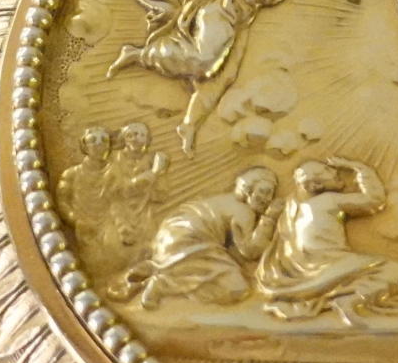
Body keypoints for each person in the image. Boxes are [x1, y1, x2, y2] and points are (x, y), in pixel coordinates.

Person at [107, 0, 294, 154]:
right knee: (203, 60)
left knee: (221, 79)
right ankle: (138, 54)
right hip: (219, 14)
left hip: (237, 22)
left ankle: (189, 125)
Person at [255, 156, 398, 327]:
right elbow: (374, 201)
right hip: (329, 261)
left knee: (392, 274)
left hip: (304, 269)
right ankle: (354, 299)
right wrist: (361, 169)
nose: (338, 174)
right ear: (317, 184)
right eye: (330, 172)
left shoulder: (292, 205)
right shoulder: (329, 201)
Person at [109, 167, 280, 308]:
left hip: (170, 235)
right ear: (249, 190)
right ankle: (161, 284)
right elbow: (249, 251)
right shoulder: (243, 211)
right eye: (263, 192)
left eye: (270, 195)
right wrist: (269, 219)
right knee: (237, 288)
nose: (266, 199)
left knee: (219, 276)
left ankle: (153, 272)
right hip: (190, 241)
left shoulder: (227, 201)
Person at [106, 122, 169, 256]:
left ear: (147, 139)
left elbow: (161, 195)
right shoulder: (114, 159)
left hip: (145, 214)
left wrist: (161, 174)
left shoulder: (151, 160)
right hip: (119, 214)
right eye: (132, 135)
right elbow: (121, 189)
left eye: (141, 135)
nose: (136, 139)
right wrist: (154, 173)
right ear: (124, 139)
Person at [56, 126, 112, 250]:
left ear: (109, 146)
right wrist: (76, 220)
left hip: (113, 232)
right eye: (93, 140)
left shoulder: (116, 173)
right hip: (84, 234)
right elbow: (63, 202)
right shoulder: (71, 174)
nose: (99, 144)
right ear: (84, 146)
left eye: (104, 140)